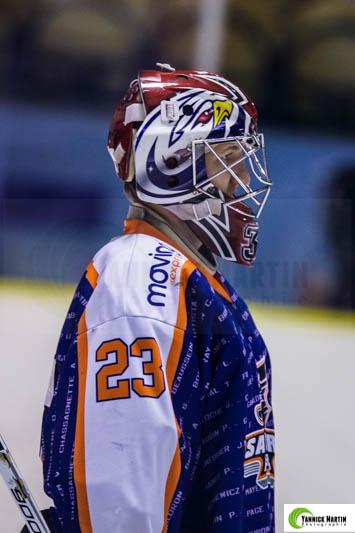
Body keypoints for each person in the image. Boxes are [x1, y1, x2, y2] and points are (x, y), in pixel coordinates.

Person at [39, 64, 275, 533]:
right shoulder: (142, 281)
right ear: (171, 163)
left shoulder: (190, 278)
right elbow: (120, 500)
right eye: (227, 157)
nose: (242, 178)